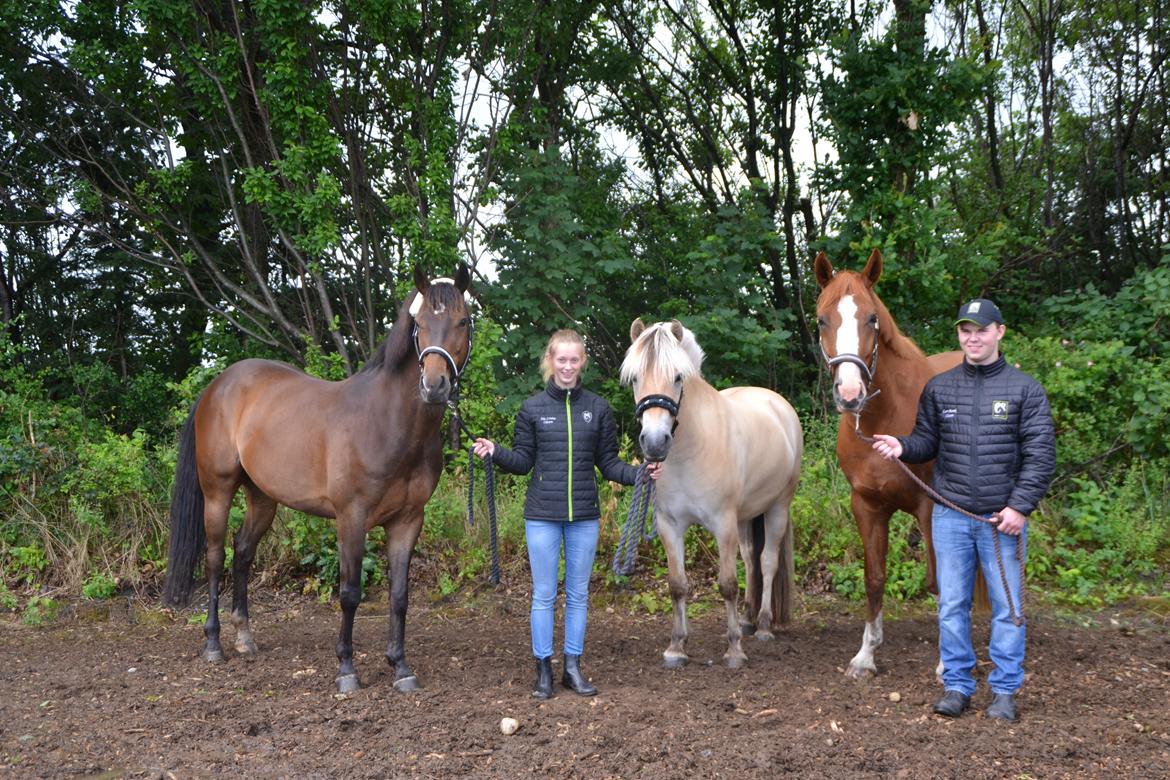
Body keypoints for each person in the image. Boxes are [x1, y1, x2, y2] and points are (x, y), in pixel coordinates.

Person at [870, 298, 1055, 722]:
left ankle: (1005, 691)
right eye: (965, 331)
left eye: (981, 330)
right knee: (951, 604)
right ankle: (957, 686)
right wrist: (902, 445)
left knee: (1008, 608)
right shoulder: (940, 388)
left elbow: (1041, 456)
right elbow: (927, 443)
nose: (973, 338)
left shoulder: (1024, 389)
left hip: (1000, 521)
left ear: (999, 333)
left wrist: (1020, 507)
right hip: (950, 516)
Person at [473, 329, 660, 699]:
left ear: (582, 362)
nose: (568, 366)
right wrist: (497, 451)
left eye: (574, 360)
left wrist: (640, 473)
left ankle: (572, 667)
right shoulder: (532, 409)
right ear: (550, 361)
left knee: (577, 595)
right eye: (562, 359)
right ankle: (543, 669)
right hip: (542, 515)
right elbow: (524, 461)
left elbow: (607, 464)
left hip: (584, 517)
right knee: (544, 595)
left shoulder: (599, 408)